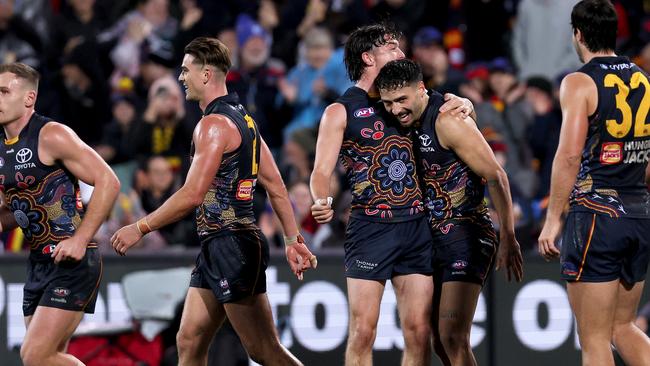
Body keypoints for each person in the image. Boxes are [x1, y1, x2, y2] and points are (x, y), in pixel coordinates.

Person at [110, 37, 316, 366]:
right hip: (220, 245)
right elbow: (276, 184)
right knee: (188, 341)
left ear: (206, 74)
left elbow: (192, 194)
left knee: (263, 349)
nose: (180, 78)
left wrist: (141, 226)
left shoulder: (212, 126)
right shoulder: (244, 120)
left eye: (185, 70)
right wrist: (292, 239)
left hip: (232, 245)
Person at [310, 24, 473, 366]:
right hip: (370, 229)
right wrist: (321, 199)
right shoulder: (339, 111)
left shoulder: (409, 99)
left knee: (418, 332)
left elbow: (448, 106)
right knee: (363, 330)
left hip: (416, 226)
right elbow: (321, 170)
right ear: (368, 57)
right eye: (391, 48)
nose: (401, 53)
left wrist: (464, 102)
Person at [376, 59, 523, 365]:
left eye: (402, 100)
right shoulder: (399, 117)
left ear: (420, 89)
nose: (395, 109)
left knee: (453, 336)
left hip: (465, 235)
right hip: (426, 240)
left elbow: (497, 175)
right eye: (388, 103)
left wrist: (508, 235)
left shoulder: (448, 119)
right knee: (437, 340)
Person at [538, 1, 650, 365]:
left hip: (598, 216)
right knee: (623, 326)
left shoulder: (579, 82)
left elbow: (569, 155)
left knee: (594, 339)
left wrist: (554, 218)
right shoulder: (645, 80)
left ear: (578, 34)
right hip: (639, 211)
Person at [0, 62, 120, 366]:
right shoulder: (2, 149)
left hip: (73, 261)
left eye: (3, 91)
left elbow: (109, 180)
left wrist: (81, 240)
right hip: (39, 261)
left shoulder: (51, 134)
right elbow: (16, 212)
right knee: (49, 359)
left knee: (34, 356)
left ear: (28, 98)